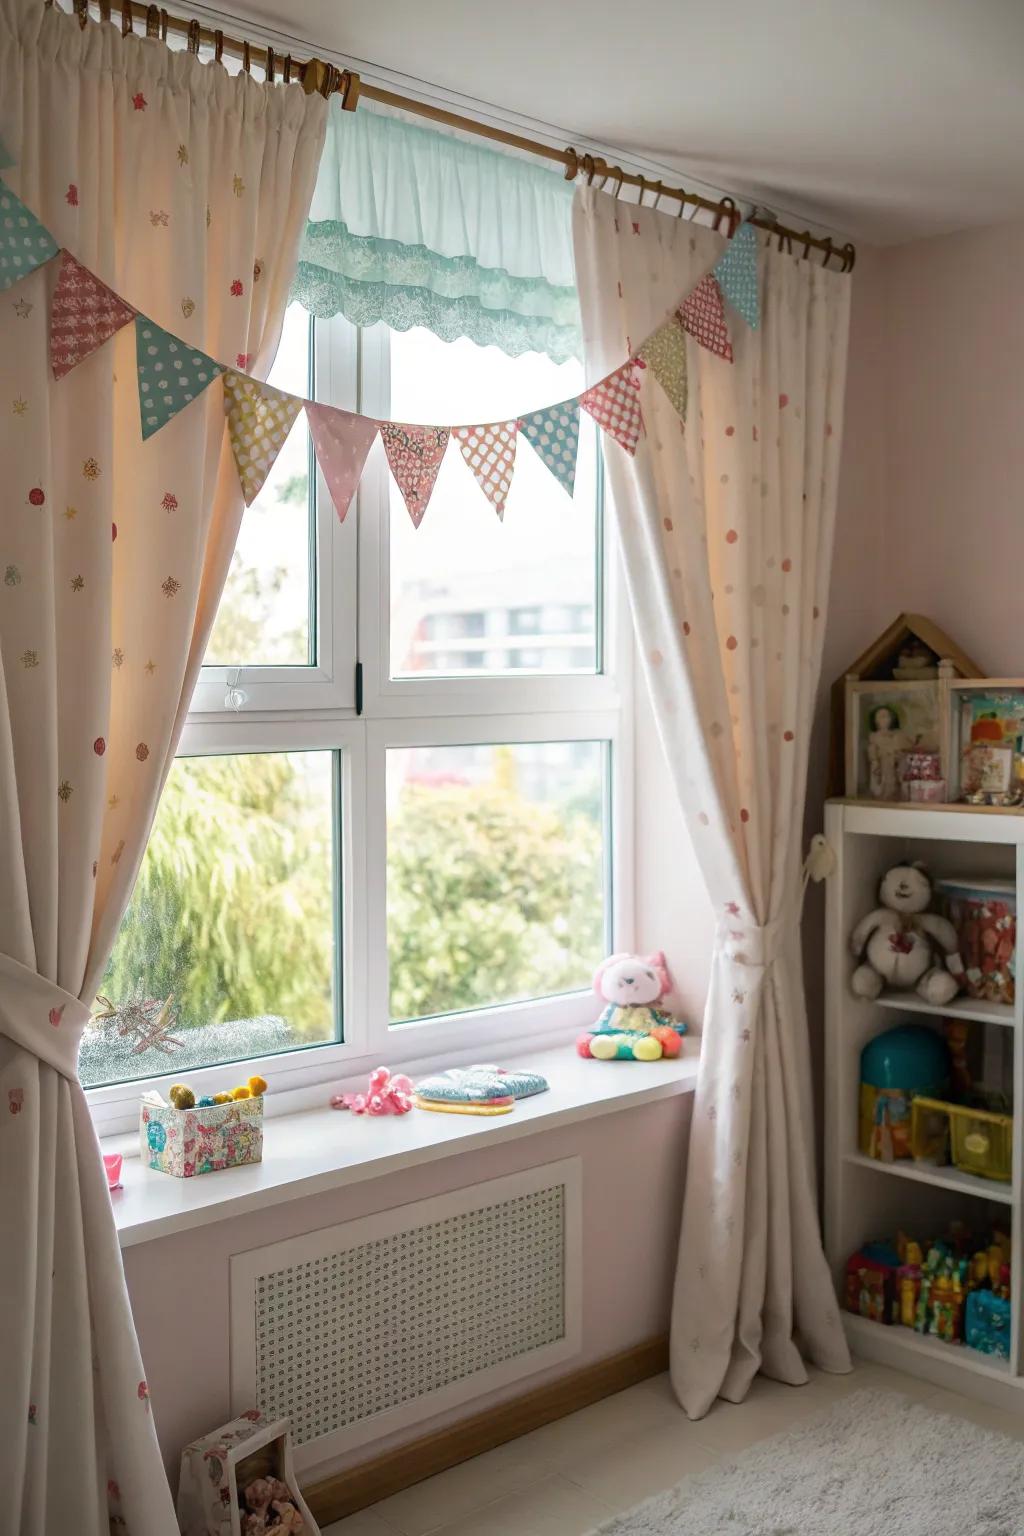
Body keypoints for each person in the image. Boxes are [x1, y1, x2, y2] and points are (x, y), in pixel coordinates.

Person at [867, 704, 909, 800]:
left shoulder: (896, 734)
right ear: (876, 720)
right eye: (881, 717)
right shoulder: (874, 736)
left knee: (895, 785)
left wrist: (899, 757)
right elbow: (872, 751)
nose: (884, 719)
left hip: (894, 764)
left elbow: (901, 749)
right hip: (882, 765)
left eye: (887, 716)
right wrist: (875, 761)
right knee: (883, 787)